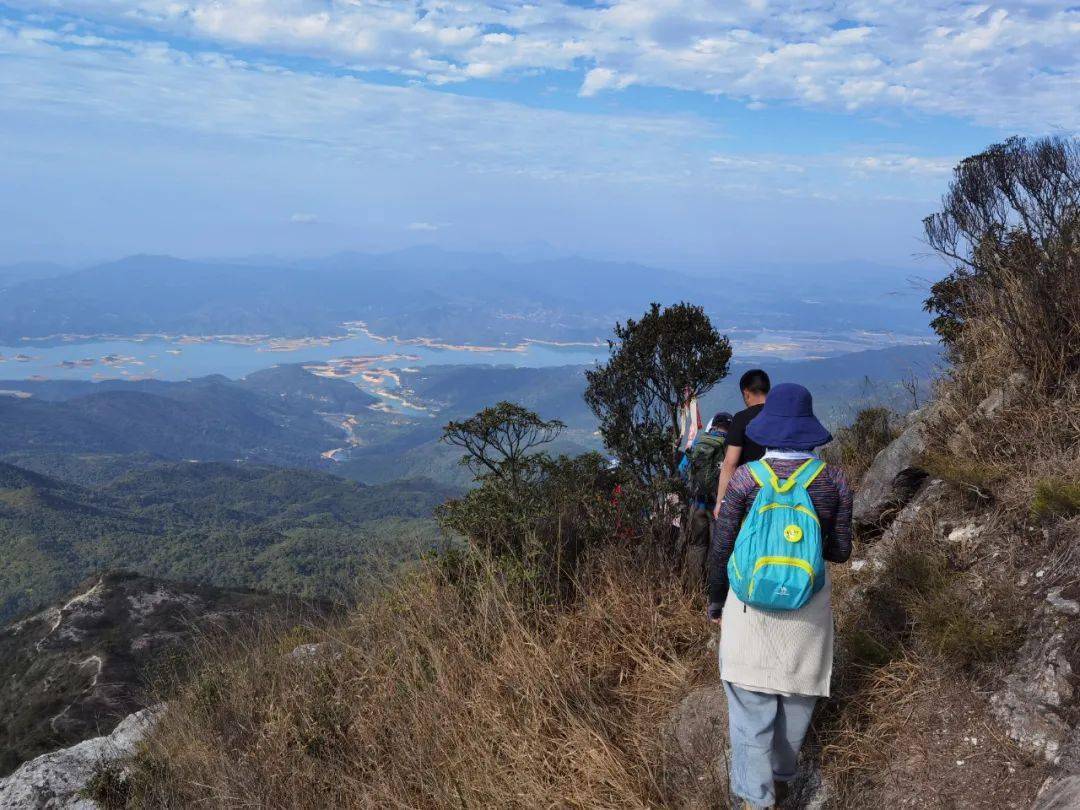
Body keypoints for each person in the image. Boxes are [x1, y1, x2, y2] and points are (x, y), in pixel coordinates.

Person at [706, 383, 852, 810]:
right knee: (796, 700)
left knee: (750, 708)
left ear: (767, 428)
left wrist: (716, 600)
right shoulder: (834, 481)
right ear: (809, 430)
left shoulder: (746, 478)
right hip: (807, 609)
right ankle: (782, 779)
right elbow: (840, 551)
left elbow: (722, 547)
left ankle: (757, 800)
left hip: (750, 609)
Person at [712, 369, 771, 519]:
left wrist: (721, 501)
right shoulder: (783, 416)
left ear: (746, 393)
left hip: (752, 493)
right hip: (784, 490)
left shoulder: (741, 419)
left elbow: (730, 463)